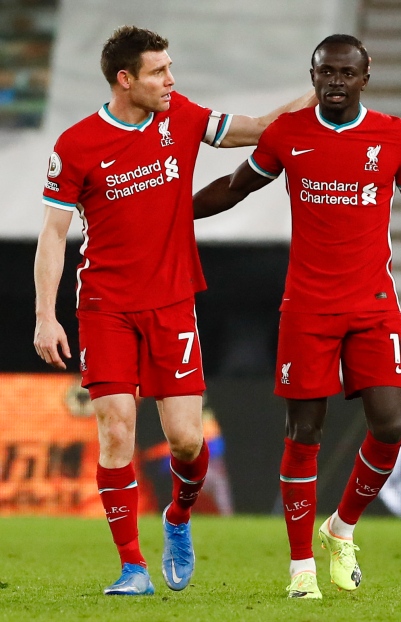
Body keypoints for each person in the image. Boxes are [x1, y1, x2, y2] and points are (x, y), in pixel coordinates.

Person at [33, 25, 314, 596]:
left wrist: (320, 90)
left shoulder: (180, 115)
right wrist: (45, 315)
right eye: (159, 71)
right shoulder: (77, 144)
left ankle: (179, 518)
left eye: (170, 68)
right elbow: (52, 235)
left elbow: (258, 129)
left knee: (187, 441)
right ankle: (132, 567)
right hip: (105, 305)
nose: (171, 79)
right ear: (125, 79)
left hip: (172, 304)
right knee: (116, 430)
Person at [192, 34, 401, 599]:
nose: (334, 82)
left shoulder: (396, 136)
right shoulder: (288, 134)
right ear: (312, 76)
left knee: (390, 426)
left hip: (374, 306)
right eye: (324, 73)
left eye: (345, 73)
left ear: (365, 76)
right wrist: (169, 213)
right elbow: (234, 189)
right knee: (304, 433)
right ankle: (301, 565)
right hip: (306, 308)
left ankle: (341, 527)